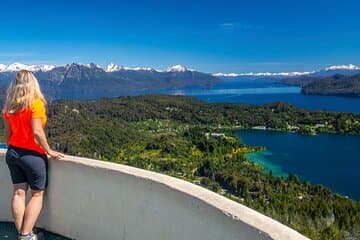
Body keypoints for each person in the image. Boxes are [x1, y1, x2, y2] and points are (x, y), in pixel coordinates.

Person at [2, 70, 64, 240]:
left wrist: (15, 149)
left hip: (13, 153)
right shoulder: (35, 104)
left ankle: (23, 232)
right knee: (37, 194)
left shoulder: (9, 107)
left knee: (18, 193)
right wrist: (49, 150)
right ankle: (26, 235)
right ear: (33, 84)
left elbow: (7, 134)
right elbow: (37, 131)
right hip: (33, 155)